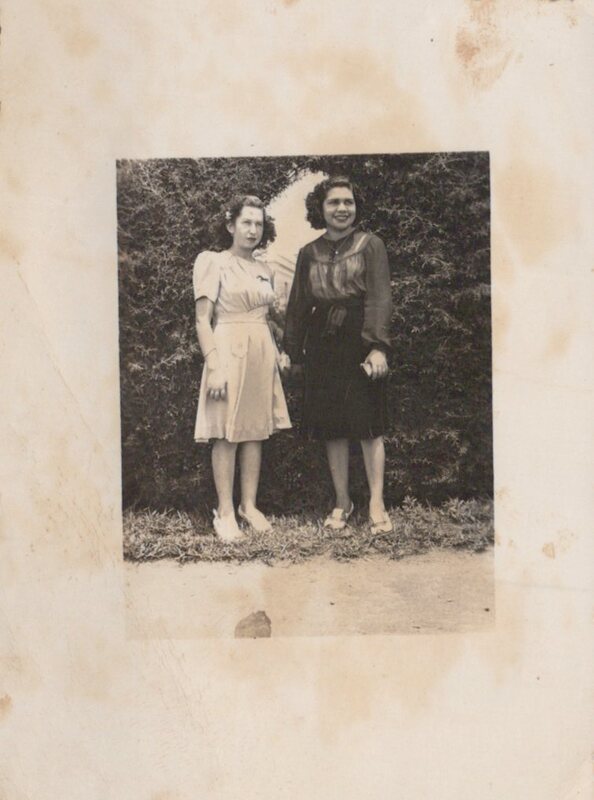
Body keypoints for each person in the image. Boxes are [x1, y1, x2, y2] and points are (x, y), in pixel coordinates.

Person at [283, 176, 394, 534]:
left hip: (360, 340)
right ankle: (342, 501)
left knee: (369, 424)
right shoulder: (308, 252)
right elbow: (298, 306)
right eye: (334, 202)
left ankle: (376, 503)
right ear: (321, 208)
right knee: (332, 426)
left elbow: (379, 297)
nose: (342, 208)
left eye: (348, 202)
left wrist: (377, 346)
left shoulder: (371, 245)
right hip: (323, 344)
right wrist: (291, 351)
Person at [193, 195, 291, 541]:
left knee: (255, 429)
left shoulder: (266, 269)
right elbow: (202, 320)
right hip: (228, 350)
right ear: (230, 225)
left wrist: (278, 351)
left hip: (260, 350)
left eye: (259, 224)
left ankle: (249, 506)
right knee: (226, 431)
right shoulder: (213, 262)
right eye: (246, 222)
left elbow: (267, 318)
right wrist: (214, 366)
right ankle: (224, 511)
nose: (253, 230)